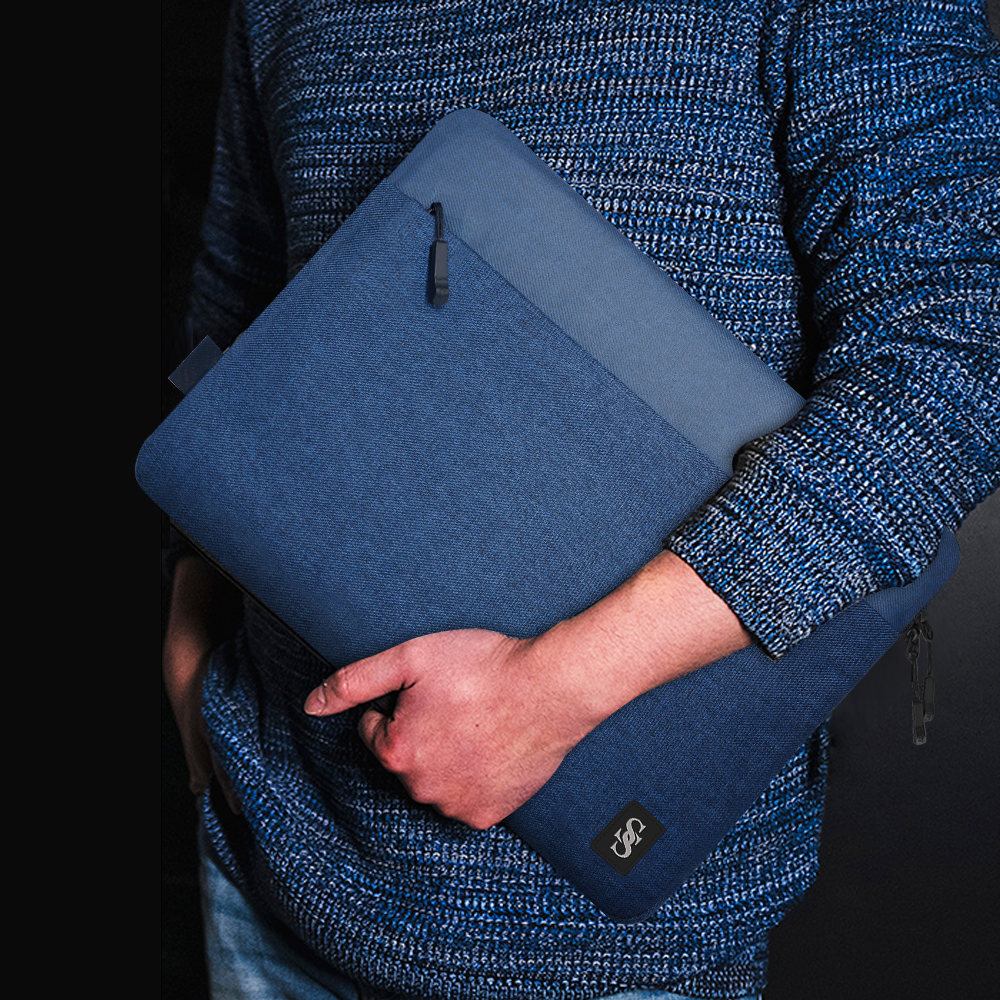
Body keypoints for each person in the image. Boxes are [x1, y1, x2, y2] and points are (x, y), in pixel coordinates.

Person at [162, 1, 1000, 998]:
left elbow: (959, 359)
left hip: (613, 938)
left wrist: (550, 693)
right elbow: (240, 299)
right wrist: (186, 623)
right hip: (269, 864)